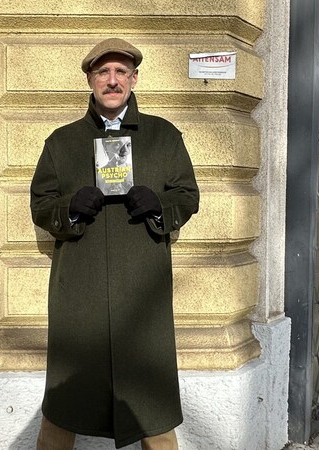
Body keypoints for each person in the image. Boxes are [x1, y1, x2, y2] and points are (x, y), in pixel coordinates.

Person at [30, 37, 200, 449]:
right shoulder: (61, 141)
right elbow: (41, 205)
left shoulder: (164, 136)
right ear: (90, 79)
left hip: (144, 298)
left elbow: (188, 196)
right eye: (103, 72)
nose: (112, 80)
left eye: (121, 72)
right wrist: (70, 208)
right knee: (62, 411)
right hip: (80, 300)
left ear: (134, 79)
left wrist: (159, 204)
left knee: (153, 414)